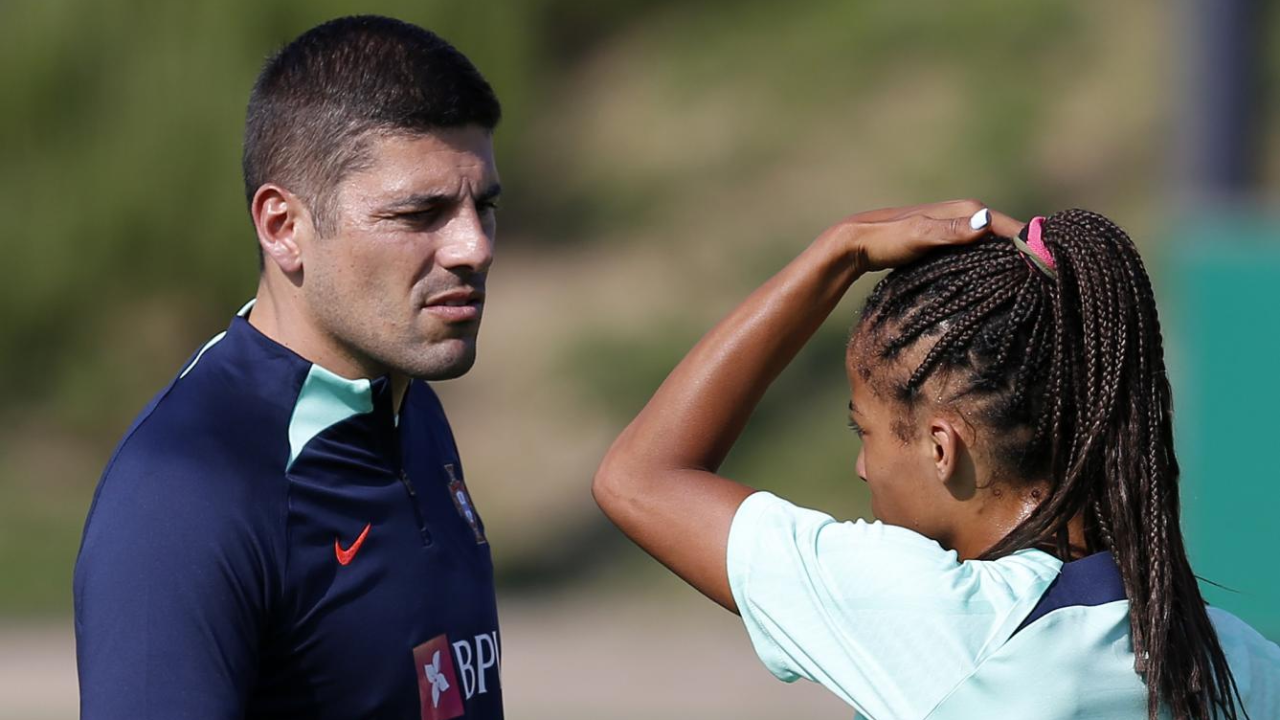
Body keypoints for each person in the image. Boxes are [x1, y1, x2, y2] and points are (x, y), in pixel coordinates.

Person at [594, 201, 1279, 719]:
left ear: (941, 447)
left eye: (864, 432)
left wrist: (842, 249)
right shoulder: (1239, 662)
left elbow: (640, 478)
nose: (861, 469)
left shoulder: (940, 620)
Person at [74, 16, 505, 719]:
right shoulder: (182, 494)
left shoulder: (403, 403)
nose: (473, 247)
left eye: (482, 206)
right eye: (421, 213)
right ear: (283, 228)